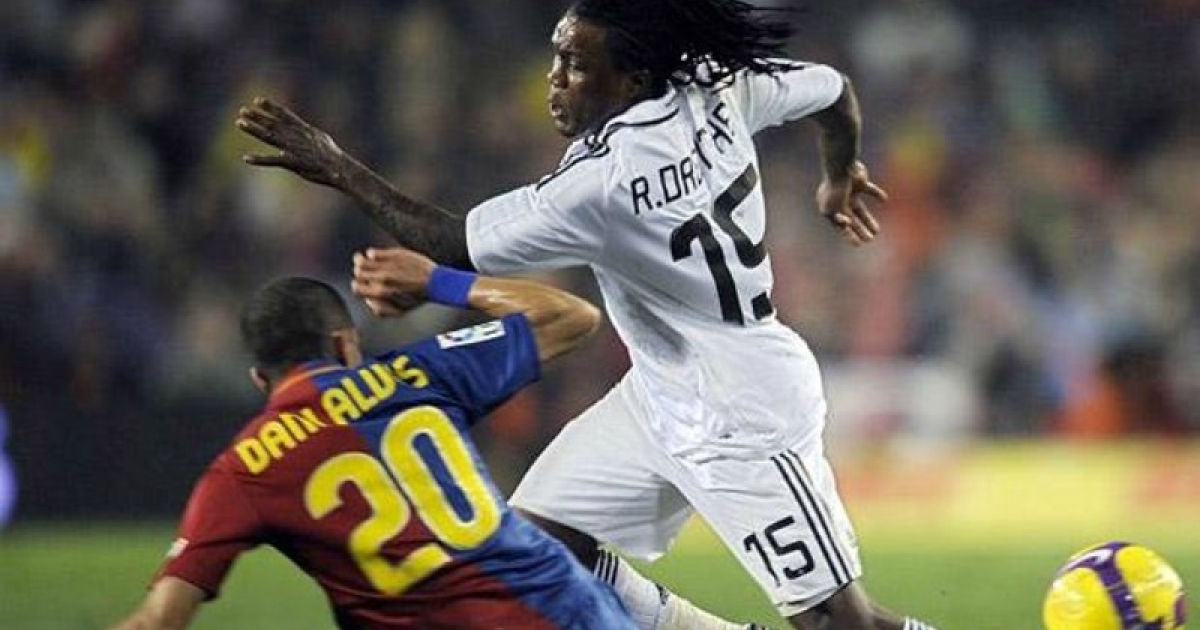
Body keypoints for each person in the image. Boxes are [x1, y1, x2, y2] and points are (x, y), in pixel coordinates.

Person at [235, 1, 944, 629]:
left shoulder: (602, 181)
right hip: (659, 393)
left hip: (741, 407)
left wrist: (337, 166)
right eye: (557, 55)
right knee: (536, 550)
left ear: (632, 81)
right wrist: (838, 172)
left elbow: (454, 242)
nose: (554, 78)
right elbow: (833, 90)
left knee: (842, 624)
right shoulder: (718, 85)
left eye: (576, 64)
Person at [107, 247, 642, 630]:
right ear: (345, 345)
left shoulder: (245, 467)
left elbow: (160, 618)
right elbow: (572, 316)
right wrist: (436, 282)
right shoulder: (416, 372)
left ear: (259, 380)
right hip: (584, 610)